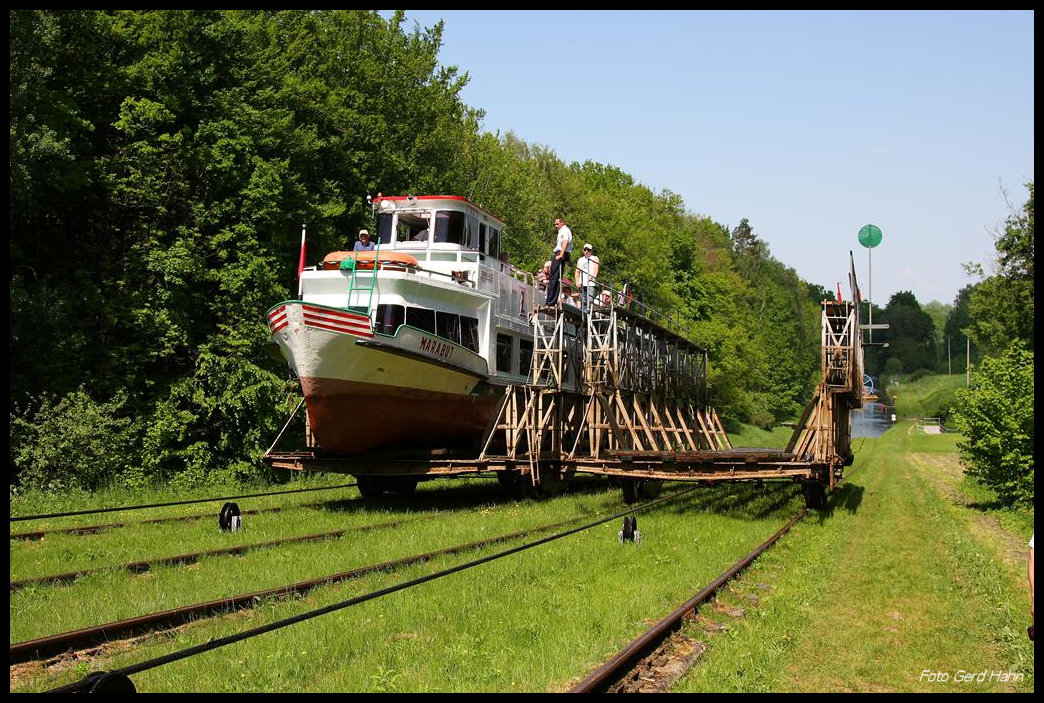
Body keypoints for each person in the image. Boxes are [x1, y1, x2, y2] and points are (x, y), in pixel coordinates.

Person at [545, 217, 573, 306]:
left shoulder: (563, 230)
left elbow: (565, 242)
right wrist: (568, 259)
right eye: (555, 224)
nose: (556, 226)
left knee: (553, 278)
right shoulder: (566, 230)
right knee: (556, 278)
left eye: (557, 224)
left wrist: (561, 254)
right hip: (564, 253)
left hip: (560, 253)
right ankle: (552, 301)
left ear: (562, 223)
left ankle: (550, 302)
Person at [574, 243, 600, 312]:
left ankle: (590, 314)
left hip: (590, 283)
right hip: (582, 282)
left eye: (588, 250)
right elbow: (577, 271)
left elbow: (596, 269)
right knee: (583, 300)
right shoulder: (580, 260)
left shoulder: (594, 258)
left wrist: (593, 277)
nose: (586, 251)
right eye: (585, 249)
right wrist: (577, 282)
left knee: (590, 300)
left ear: (591, 251)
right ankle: (585, 315)